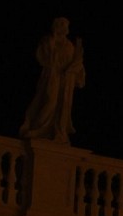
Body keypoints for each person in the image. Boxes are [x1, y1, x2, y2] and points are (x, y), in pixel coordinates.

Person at [20, 17, 86, 145]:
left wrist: (78, 57)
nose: (65, 27)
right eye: (62, 24)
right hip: (52, 75)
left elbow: (77, 65)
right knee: (49, 100)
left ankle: (58, 131)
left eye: (66, 25)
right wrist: (52, 41)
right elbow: (43, 56)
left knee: (62, 106)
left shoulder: (69, 45)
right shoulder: (49, 40)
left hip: (65, 80)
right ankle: (38, 128)